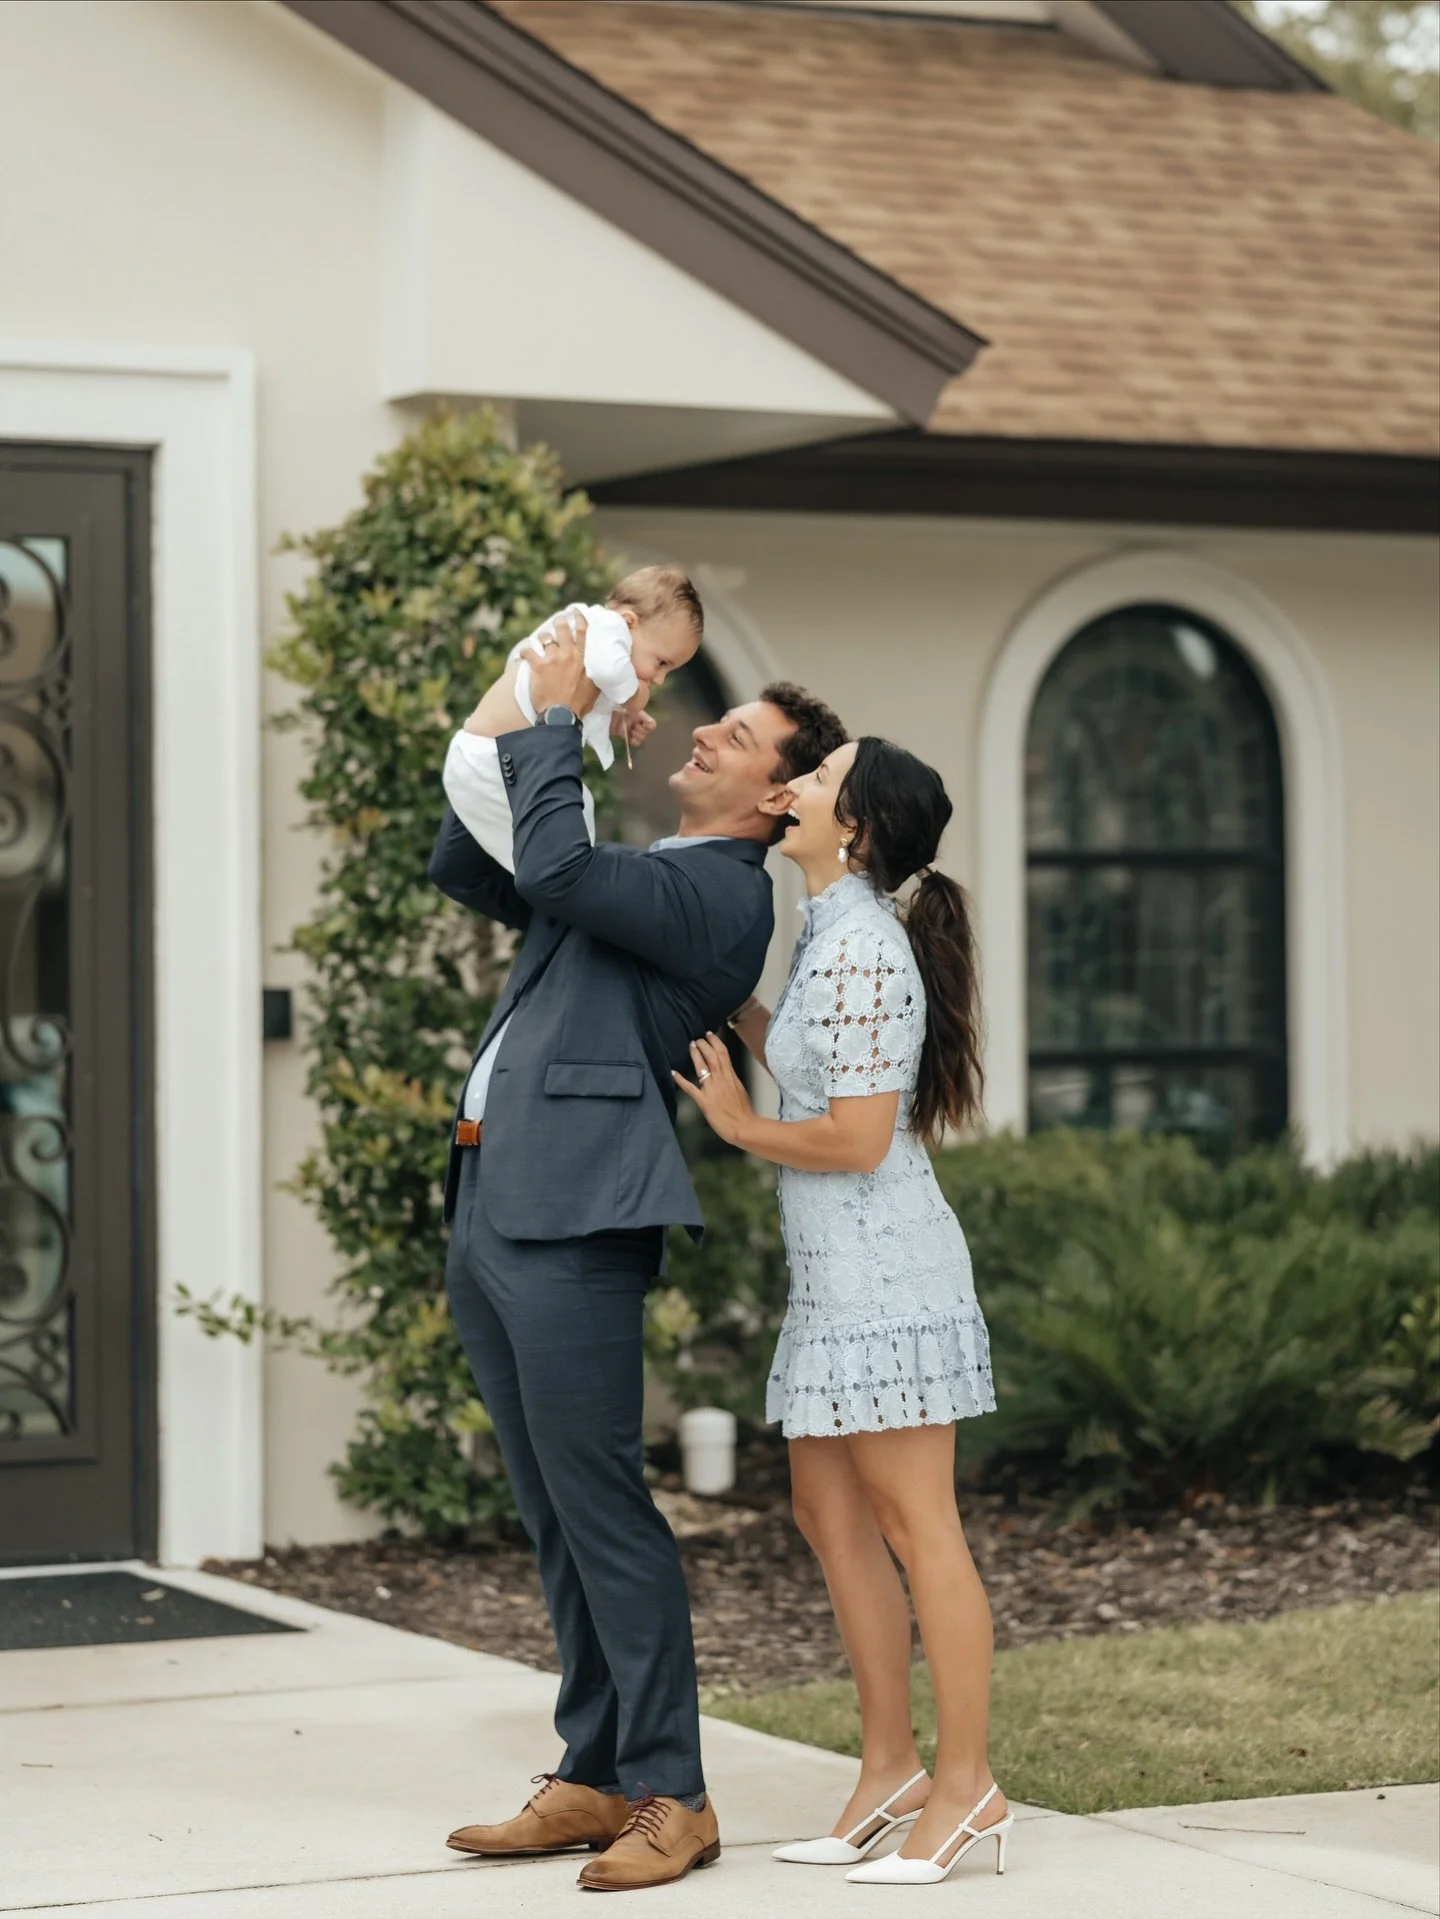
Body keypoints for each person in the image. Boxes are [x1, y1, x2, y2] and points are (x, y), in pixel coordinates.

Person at [429, 615, 846, 1894]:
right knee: (555, 1509)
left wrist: (566, 720)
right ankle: (595, 1769)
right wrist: (517, 704)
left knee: (602, 1504)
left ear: (775, 794)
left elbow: (555, 866)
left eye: (736, 733)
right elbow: (470, 861)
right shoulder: (642, 872)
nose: (699, 728)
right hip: (497, 1196)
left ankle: (679, 1791)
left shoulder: (721, 893)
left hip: (576, 1218)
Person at [674, 735, 1011, 1889]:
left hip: (889, 1282)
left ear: (856, 828)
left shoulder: (864, 944)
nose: (797, 786)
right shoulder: (829, 929)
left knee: (920, 1526)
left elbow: (859, 1138)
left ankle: (967, 1786)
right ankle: (889, 1769)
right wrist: (732, 1005)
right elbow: (821, 1064)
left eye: (821, 780)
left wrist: (736, 1123)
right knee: (828, 1511)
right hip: (833, 1283)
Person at [447, 564, 702, 871]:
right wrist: (636, 697)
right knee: (555, 859)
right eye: (661, 663)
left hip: (486, 760)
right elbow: (608, 671)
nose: (659, 679)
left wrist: (612, 719)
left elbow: (574, 696)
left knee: (563, 831)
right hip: (490, 765)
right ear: (628, 622)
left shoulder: (587, 633)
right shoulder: (606, 626)